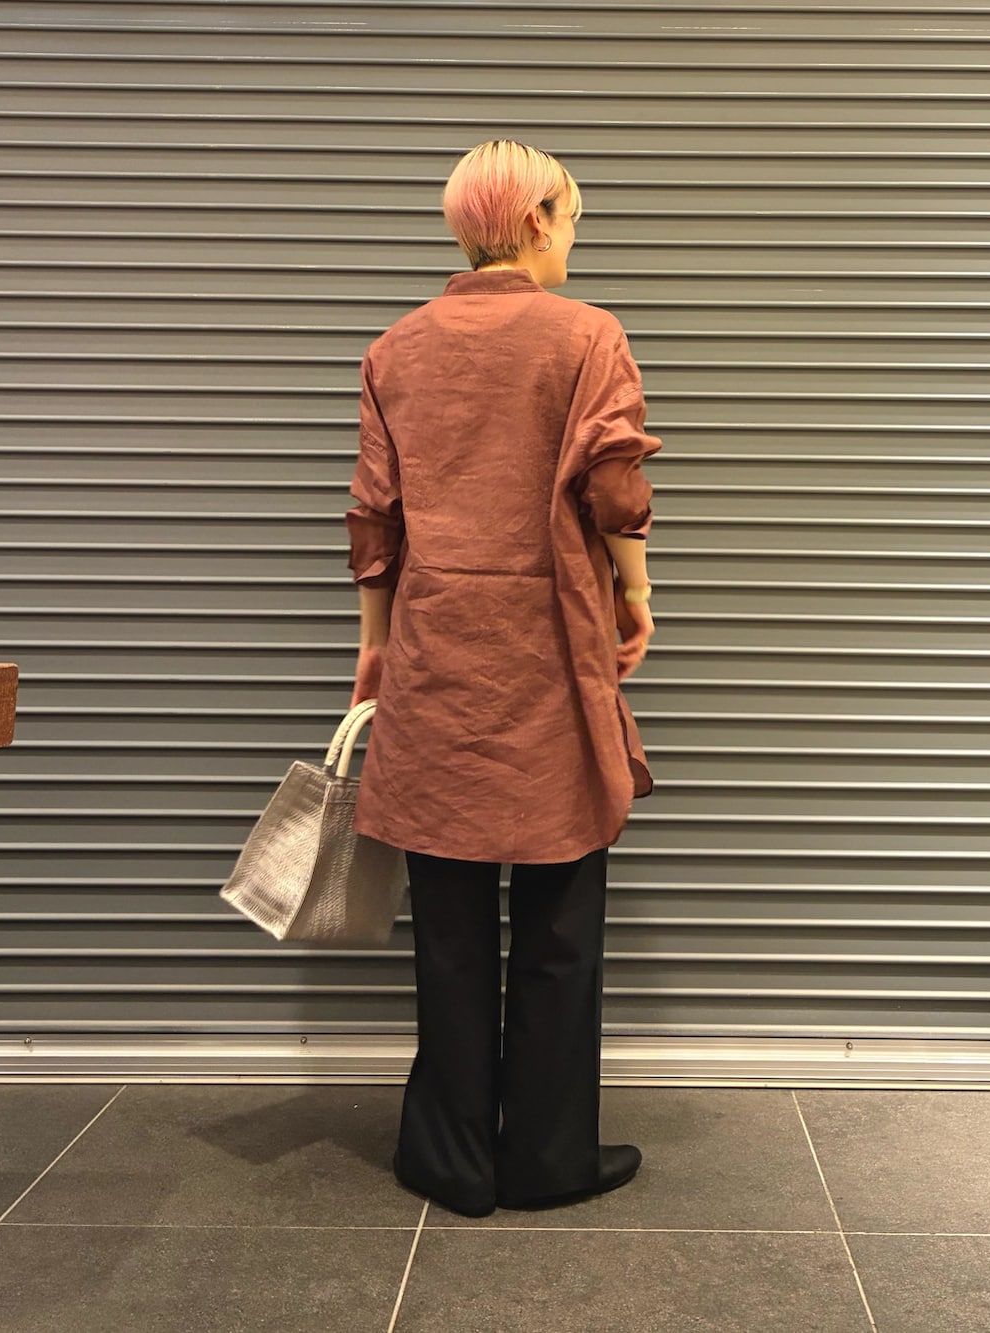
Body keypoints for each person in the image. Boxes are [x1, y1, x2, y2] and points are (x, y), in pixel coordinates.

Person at [345, 140, 660, 1218]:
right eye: (569, 217)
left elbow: (375, 520)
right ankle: (547, 1154)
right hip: (549, 650)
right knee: (561, 912)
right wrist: (637, 592)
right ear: (532, 219)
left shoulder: (395, 349)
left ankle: (451, 1155)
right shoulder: (587, 335)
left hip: (436, 652)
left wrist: (374, 650)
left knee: (448, 922)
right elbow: (615, 486)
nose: (572, 237)